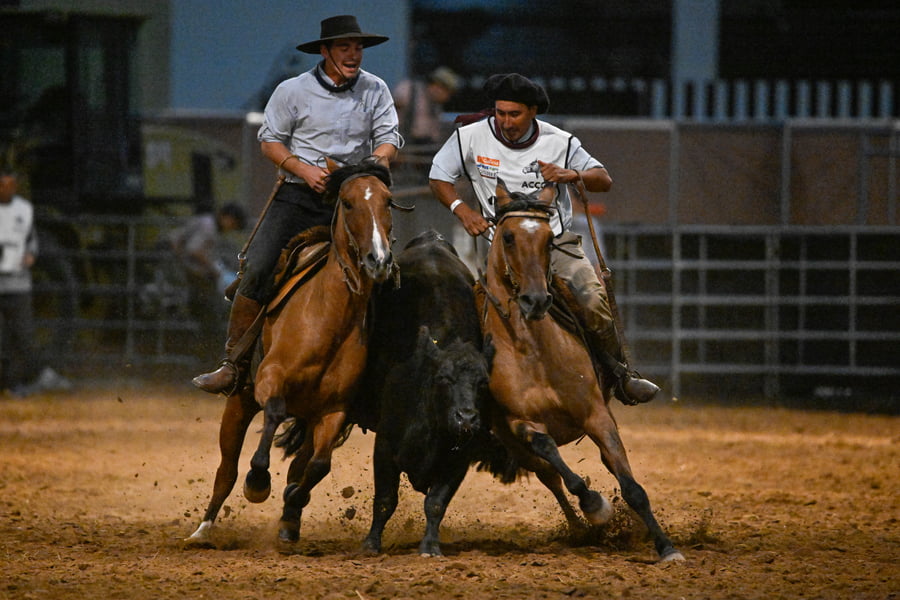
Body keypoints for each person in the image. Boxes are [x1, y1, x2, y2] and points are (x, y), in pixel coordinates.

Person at [193, 15, 401, 394]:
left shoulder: (376, 89)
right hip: (299, 196)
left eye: (358, 48)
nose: (354, 54)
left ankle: (387, 367)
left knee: (386, 268)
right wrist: (303, 170)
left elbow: (389, 138)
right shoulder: (293, 90)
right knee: (257, 266)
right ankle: (234, 363)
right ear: (325, 52)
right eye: (344, 47)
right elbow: (270, 141)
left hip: (351, 197)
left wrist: (378, 161)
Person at [428, 73, 659, 405]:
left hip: (554, 242)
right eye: (500, 113)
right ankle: (450, 389)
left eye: (514, 114)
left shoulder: (559, 141)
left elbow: (603, 179)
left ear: (533, 111)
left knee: (592, 300)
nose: (506, 121)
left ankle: (620, 374)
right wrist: (462, 210)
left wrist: (572, 174)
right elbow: (438, 176)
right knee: (456, 306)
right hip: (498, 246)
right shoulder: (470, 137)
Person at [169, 201, 246, 350]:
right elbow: (195, 250)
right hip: (176, 263)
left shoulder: (208, 224)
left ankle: (203, 343)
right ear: (227, 218)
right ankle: (205, 345)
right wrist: (214, 269)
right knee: (204, 302)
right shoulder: (208, 227)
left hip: (182, 263)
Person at [0, 169, 39, 396]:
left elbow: (33, 242)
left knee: (23, 336)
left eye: (9, 184)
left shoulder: (24, 210)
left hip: (18, 284)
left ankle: (14, 384)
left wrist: (30, 256)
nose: (6, 189)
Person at [392, 66, 460, 146]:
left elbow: (434, 132)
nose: (447, 98)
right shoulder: (409, 90)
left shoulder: (435, 105)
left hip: (423, 146)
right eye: (447, 93)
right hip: (402, 142)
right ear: (437, 86)